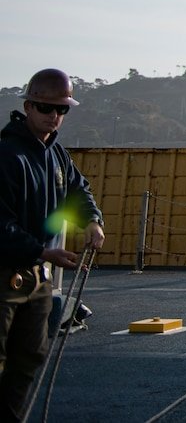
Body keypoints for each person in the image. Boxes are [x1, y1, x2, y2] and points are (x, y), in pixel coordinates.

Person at [0, 69, 105, 422]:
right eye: (46, 108)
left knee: (29, 357)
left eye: (62, 110)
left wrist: (92, 221)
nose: (54, 116)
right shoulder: (7, 156)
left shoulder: (57, 155)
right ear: (28, 106)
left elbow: (79, 190)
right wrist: (43, 252)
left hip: (37, 277)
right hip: (5, 274)